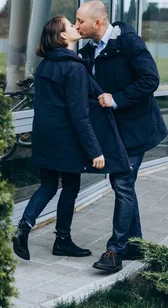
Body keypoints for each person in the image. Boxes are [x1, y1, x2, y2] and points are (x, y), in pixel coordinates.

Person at [76, 0, 168, 272]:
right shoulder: (89, 50)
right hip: (113, 132)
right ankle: (135, 245)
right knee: (123, 185)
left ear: (97, 22)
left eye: (80, 20)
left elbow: (150, 80)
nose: (77, 24)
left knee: (123, 184)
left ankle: (115, 251)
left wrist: (116, 99)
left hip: (136, 130)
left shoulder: (128, 42)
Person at [12, 16, 105, 261]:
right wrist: (95, 150)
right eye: (70, 25)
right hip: (66, 138)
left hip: (43, 135)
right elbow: (78, 114)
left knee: (49, 185)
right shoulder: (72, 67)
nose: (76, 27)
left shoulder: (46, 66)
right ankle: (62, 240)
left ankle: (24, 226)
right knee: (71, 186)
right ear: (63, 36)